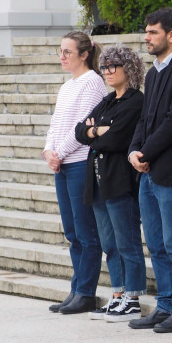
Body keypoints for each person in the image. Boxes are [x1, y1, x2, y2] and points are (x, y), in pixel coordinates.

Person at [127, 7, 172, 333]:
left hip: (171, 172)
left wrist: (146, 151)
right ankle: (167, 304)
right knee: (155, 243)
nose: (147, 37)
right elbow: (145, 119)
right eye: (146, 31)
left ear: (171, 35)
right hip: (148, 172)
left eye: (153, 32)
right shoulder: (153, 73)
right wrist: (133, 150)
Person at [74, 45, 146, 322]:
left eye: (113, 66)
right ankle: (118, 294)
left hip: (119, 181)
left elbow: (117, 139)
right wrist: (96, 130)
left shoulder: (135, 101)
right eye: (104, 67)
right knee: (109, 243)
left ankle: (133, 297)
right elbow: (80, 130)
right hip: (97, 182)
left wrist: (98, 132)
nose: (107, 72)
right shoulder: (107, 101)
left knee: (127, 241)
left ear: (128, 69)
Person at [45, 32, 107, 315]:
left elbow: (84, 127)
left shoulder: (93, 82)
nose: (62, 56)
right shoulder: (67, 86)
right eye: (60, 51)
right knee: (72, 231)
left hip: (80, 162)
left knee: (86, 231)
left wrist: (60, 153)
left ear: (84, 54)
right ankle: (76, 288)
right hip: (62, 164)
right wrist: (49, 150)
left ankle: (86, 292)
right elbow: (56, 123)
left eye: (67, 51)